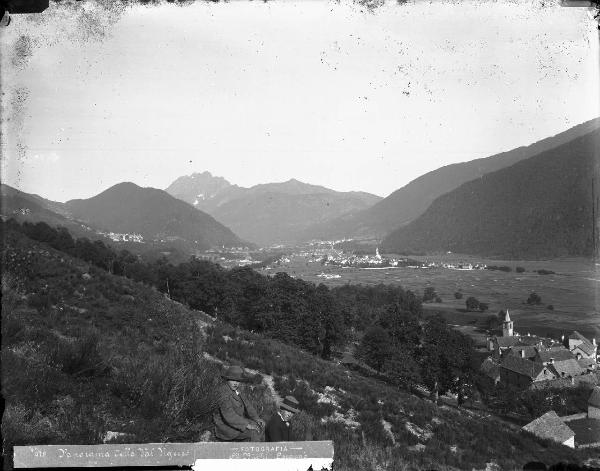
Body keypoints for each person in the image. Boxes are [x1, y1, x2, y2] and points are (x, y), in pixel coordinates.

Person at [213, 365, 265, 441]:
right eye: (233, 380)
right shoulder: (223, 393)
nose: (236, 383)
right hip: (225, 427)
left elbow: (248, 405)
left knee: (261, 425)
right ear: (227, 379)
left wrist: (256, 418)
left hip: (238, 422)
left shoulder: (237, 390)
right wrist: (247, 425)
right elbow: (229, 416)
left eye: (238, 381)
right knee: (253, 432)